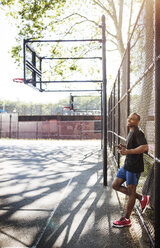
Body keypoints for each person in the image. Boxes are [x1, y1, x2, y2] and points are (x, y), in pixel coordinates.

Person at [112, 112, 150, 228]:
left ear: (137, 121)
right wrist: (124, 148)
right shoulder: (131, 132)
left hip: (134, 167)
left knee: (131, 192)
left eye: (132, 119)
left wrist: (127, 152)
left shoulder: (138, 132)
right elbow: (133, 147)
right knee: (115, 185)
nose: (129, 120)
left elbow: (144, 147)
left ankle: (127, 219)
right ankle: (142, 198)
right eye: (129, 118)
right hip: (127, 165)